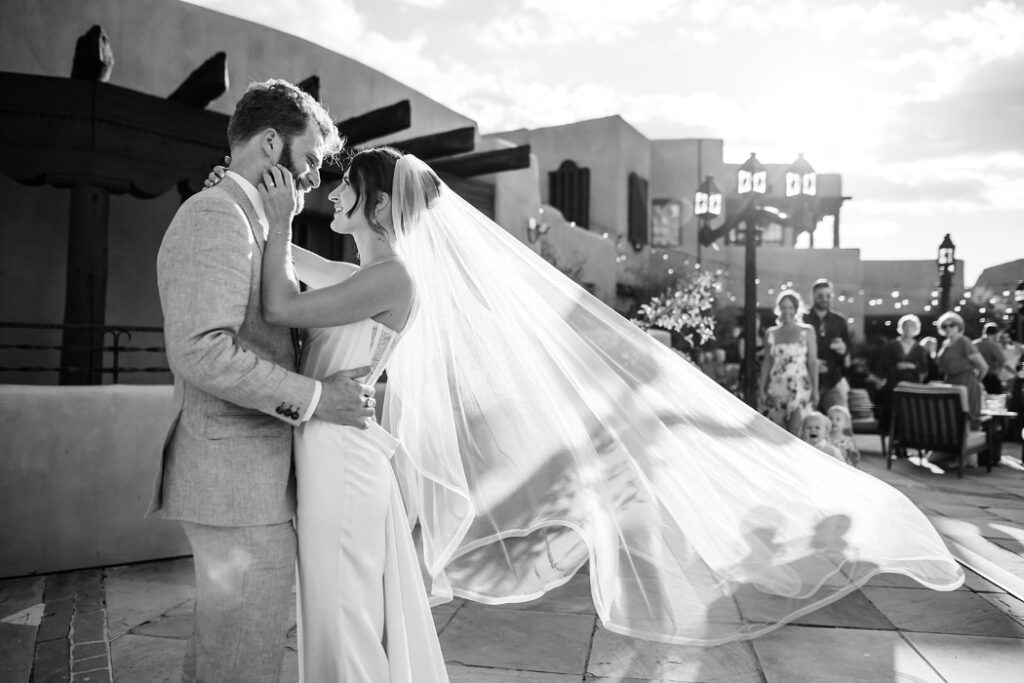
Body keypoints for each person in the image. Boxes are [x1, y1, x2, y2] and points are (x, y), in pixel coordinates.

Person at [207, 146, 963, 650]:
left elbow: (280, 299)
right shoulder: (376, 271)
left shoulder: (393, 275)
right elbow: (304, 268)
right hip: (339, 445)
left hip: (348, 453)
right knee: (349, 603)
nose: (330, 191)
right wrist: (250, 211)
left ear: (373, 202)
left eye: (344, 185)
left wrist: (271, 222)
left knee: (345, 604)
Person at [152, 80, 376, 683]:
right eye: (306, 162)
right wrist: (318, 399)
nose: (311, 181)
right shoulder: (215, 216)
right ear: (270, 144)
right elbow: (200, 351)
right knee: (242, 655)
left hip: (251, 478)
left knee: (229, 648)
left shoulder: (251, 222)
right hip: (234, 481)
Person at [760, 290, 817, 435]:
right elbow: (767, 362)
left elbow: (812, 362)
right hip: (777, 386)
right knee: (776, 431)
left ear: (796, 309)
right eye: (784, 307)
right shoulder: (771, 333)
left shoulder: (807, 331)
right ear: (779, 309)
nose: (787, 311)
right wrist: (761, 388)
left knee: (796, 431)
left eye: (791, 307)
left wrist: (816, 390)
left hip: (799, 386)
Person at [874, 314, 930, 433]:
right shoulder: (891, 345)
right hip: (894, 382)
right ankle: (894, 441)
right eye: (906, 325)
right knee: (893, 410)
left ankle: (909, 438)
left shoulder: (920, 348)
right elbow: (882, 364)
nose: (909, 328)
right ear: (901, 327)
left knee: (910, 410)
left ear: (916, 328)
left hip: (911, 384)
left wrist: (912, 366)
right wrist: (879, 380)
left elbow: (925, 368)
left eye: (912, 326)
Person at [804, 278, 851, 412]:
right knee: (805, 424)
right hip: (806, 379)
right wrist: (812, 362)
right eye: (820, 295)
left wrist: (843, 351)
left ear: (832, 296)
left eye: (828, 295)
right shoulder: (802, 319)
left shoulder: (839, 321)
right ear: (813, 296)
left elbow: (848, 352)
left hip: (832, 380)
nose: (824, 298)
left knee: (841, 420)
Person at [936, 311, 988, 424]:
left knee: (967, 419)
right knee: (952, 419)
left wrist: (975, 380)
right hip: (950, 382)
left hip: (966, 381)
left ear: (958, 326)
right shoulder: (945, 344)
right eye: (944, 326)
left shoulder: (964, 341)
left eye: (951, 325)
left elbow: (984, 366)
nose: (948, 328)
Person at [974, 323, 1009, 395]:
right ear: (996, 334)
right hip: (991, 379)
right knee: (994, 402)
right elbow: (1003, 362)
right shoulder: (994, 345)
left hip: (976, 377)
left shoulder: (974, 344)